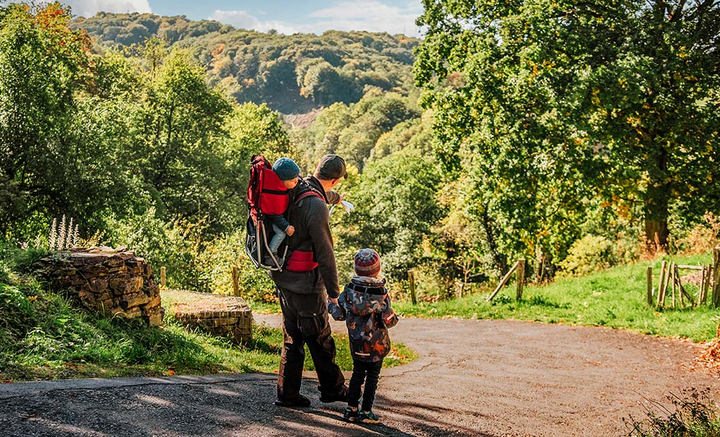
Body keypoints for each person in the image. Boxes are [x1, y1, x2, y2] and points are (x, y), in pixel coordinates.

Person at [270, 154, 349, 408]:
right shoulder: (317, 206)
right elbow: (326, 254)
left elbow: (325, 196)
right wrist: (335, 293)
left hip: (284, 277)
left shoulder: (299, 185)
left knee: (292, 337)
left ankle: (287, 393)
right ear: (335, 180)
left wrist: (337, 199)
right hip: (306, 284)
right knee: (320, 336)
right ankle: (333, 389)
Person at [328, 248, 398, 424]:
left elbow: (339, 314)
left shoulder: (349, 292)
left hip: (357, 344)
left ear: (356, 269)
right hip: (377, 346)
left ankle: (351, 410)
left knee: (357, 375)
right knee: (372, 378)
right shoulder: (382, 294)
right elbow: (387, 320)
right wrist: (394, 318)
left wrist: (330, 304)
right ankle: (367, 412)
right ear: (377, 269)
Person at [266, 157, 300, 258]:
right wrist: (286, 228)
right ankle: (271, 253)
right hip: (269, 219)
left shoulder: (280, 189)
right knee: (281, 234)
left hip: (275, 216)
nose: (296, 182)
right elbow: (276, 216)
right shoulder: (276, 196)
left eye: (297, 178)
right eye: (293, 180)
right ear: (281, 182)